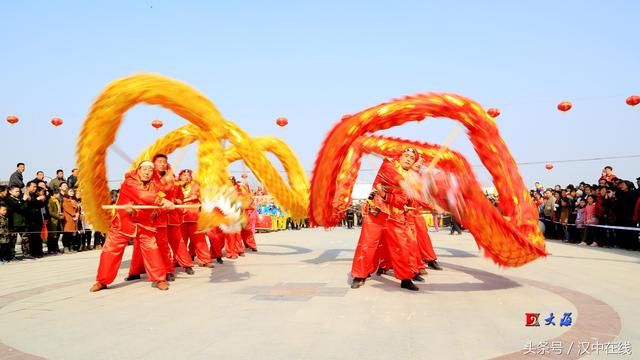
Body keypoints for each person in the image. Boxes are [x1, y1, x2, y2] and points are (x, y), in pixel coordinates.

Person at [90, 160, 174, 292]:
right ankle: (102, 281)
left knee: (152, 249)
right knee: (110, 251)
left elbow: (158, 206)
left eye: (150, 170)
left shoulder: (155, 186)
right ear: (138, 170)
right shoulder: (129, 181)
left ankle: (159, 279)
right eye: (144, 169)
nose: (147, 172)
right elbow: (142, 196)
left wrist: (162, 209)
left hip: (145, 224)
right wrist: (162, 201)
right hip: (124, 223)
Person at [350, 148, 420, 291]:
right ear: (399, 156)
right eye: (405, 155)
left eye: (411, 158)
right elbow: (391, 177)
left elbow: (402, 200)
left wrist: (386, 195)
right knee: (367, 243)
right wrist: (403, 185)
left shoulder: (411, 178)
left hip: (396, 215)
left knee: (401, 246)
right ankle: (360, 275)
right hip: (377, 212)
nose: (408, 159)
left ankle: (406, 278)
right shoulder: (388, 165)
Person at [4, 185, 28, 260]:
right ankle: (12, 255)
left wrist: (23, 200)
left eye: (19, 191)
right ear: (10, 191)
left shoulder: (20, 199)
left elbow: (24, 207)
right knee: (12, 241)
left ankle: (26, 254)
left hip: (23, 223)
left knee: (25, 239)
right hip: (13, 223)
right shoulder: (8, 199)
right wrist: (23, 200)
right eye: (16, 191)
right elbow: (15, 206)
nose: (18, 193)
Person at [46, 189, 64, 255]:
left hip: (57, 221)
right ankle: (51, 250)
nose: (59, 195)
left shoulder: (57, 200)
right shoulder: (50, 201)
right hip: (52, 221)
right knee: (52, 236)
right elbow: (50, 212)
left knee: (57, 236)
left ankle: (55, 249)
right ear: (55, 194)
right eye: (58, 194)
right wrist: (58, 216)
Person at [62, 188, 79, 252]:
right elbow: (68, 209)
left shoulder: (74, 200)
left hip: (74, 218)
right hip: (68, 218)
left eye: (72, 191)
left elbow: (77, 208)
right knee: (67, 233)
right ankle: (66, 247)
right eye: (70, 191)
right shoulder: (65, 200)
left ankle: (71, 246)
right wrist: (74, 214)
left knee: (72, 233)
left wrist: (77, 214)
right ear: (67, 192)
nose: (72, 192)